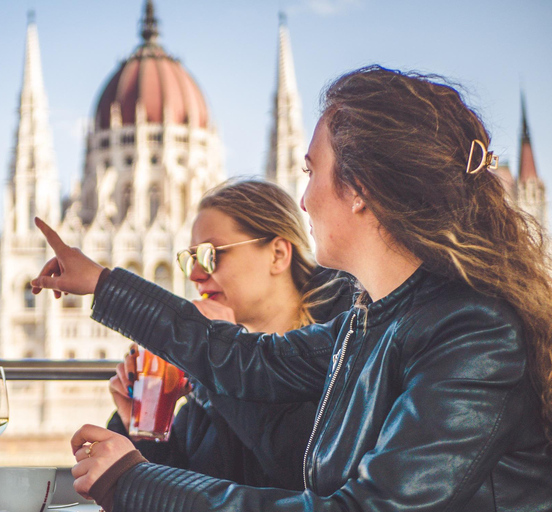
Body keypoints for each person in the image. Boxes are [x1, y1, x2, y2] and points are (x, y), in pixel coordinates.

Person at [32, 65, 552, 511]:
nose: (301, 201)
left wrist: (135, 481)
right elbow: (244, 359)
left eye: (310, 172)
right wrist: (102, 284)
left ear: (361, 192)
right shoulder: (369, 321)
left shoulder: (476, 334)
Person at [106, 179, 352, 490]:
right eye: (190, 259)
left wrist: (219, 351)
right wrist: (146, 434)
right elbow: (189, 488)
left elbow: (308, 473)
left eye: (211, 254)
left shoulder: (346, 342)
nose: (196, 275)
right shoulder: (206, 373)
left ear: (277, 254)